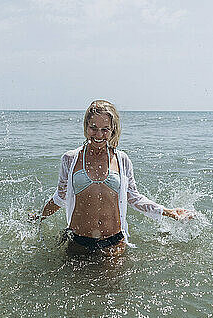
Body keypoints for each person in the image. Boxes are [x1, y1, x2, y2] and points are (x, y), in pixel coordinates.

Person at [37, 100, 193, 256]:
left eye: (105, 129)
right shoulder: (70, 159)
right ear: (86, 127)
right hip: (78, 240)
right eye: (93, 128)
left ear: (113, 130)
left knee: (114, 281)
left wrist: (168, 212)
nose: (98, 135)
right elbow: (60, 196)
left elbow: (134, 198)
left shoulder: (122, 160)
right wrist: (39, 217)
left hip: (114, 242)